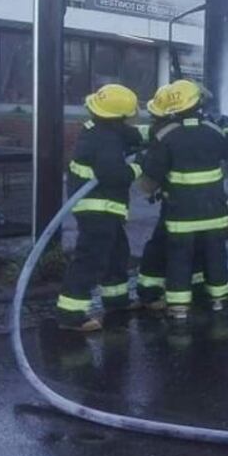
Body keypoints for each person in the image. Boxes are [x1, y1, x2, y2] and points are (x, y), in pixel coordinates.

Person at [140, 79, 228, 321]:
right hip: (215, 214)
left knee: (179, 259)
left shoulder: (165, 136)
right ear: (197, 104)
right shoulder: (213, 130)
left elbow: (150, 179)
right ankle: (219, 300)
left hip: (181, 216)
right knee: (216, 255)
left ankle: (178, 308)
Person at [55, 83, 143, 332]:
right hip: (98, 209)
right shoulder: (106, 140)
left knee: (117, 252)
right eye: (127, 116)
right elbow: (114, 174)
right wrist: (140, 166)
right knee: (90, 259)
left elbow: (130, 135)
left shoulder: (101, 128)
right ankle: (70, 314)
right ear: (118, 117)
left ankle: (116, 300)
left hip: (102, 207)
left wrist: (154, 134)